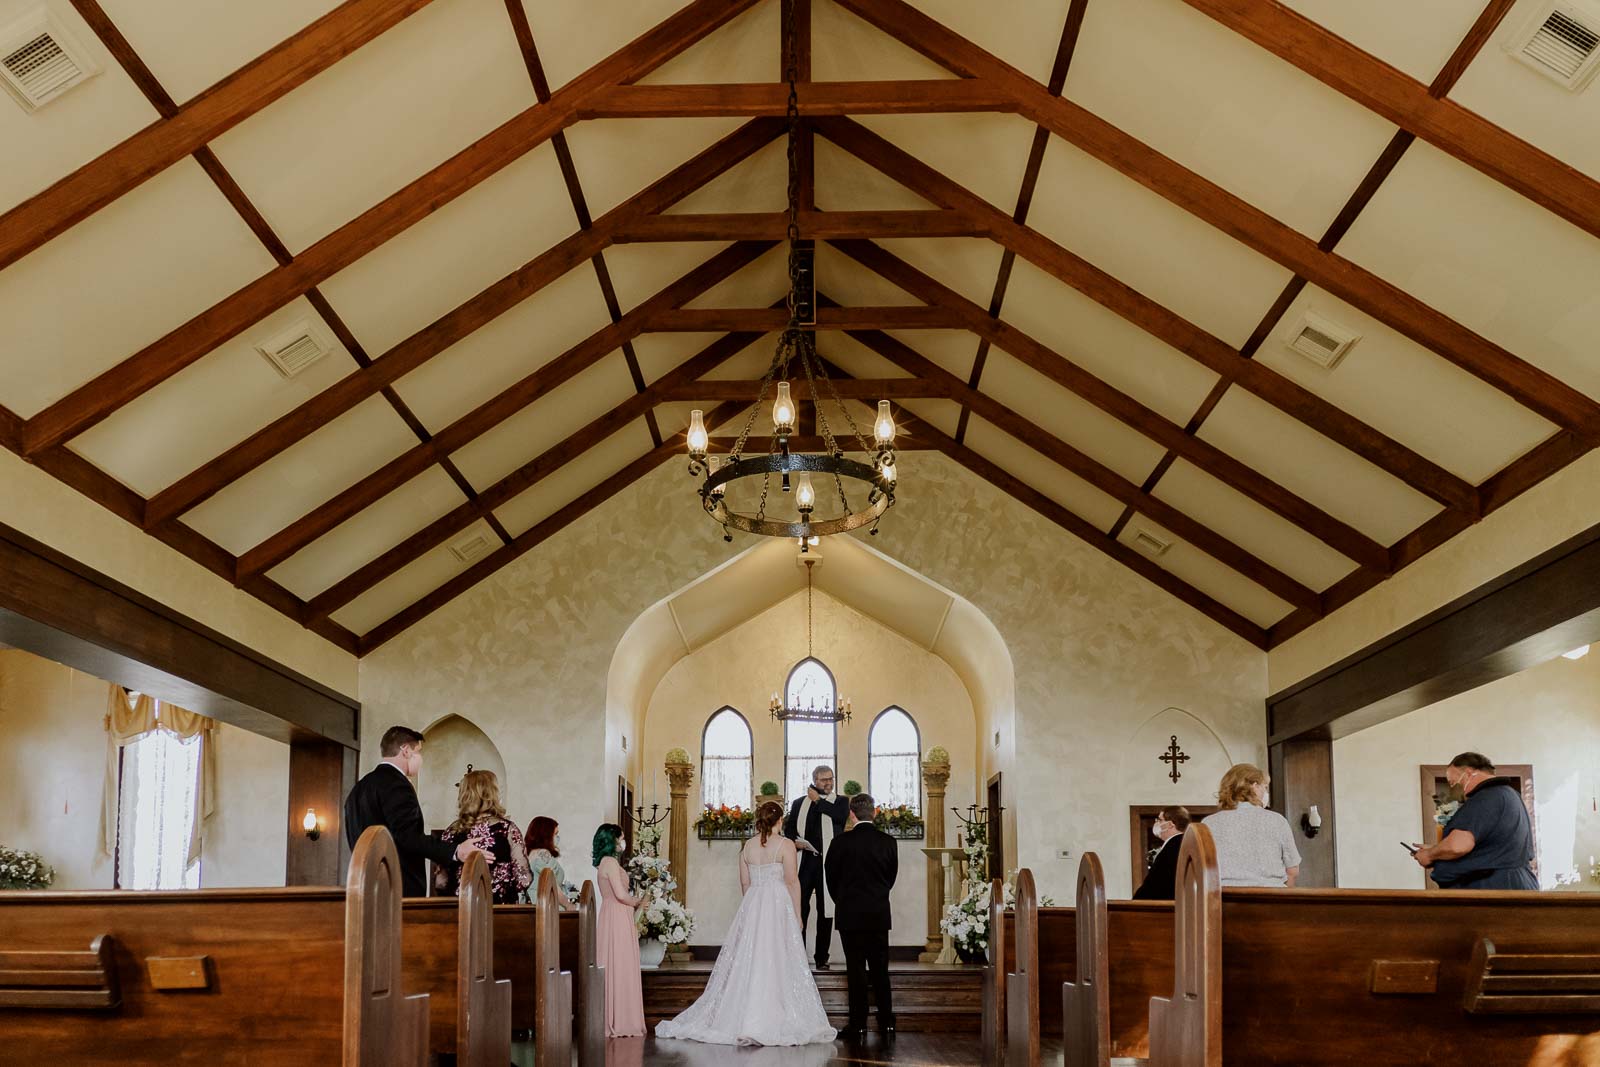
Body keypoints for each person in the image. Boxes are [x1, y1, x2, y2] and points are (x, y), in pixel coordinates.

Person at [655, 801, 835, 1046]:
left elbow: (745, 884)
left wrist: (752, 909)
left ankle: (745, 1016)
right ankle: (772, 1015)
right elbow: (793, 882)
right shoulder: (786, 845)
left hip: (754, 903)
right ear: (779, 820)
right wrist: (798, 915)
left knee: (750, 958)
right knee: (778, 956)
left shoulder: (747, 847)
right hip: (777, 903)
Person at [343, 725, 486, 897]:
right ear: (406, 750)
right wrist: (455, 851)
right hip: (397, 889)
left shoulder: (359, 788)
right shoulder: (397, 785)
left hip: (365, 886)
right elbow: (408, 837)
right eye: (418, 752)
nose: (420, 758)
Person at [825, 792, 898, 1042]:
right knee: (880, 969)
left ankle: (858, 1024)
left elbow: (831, 880)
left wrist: (844, 901)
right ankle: (887, 1021)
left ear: (852, 814)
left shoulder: (839, 843)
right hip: (878, 913)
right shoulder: (888, 842)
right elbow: (890, 878)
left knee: (855, 970)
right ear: (874, 813)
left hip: (849, 914)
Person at [1412, 752, 1537, 890]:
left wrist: (1429, 855)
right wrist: (1437, 849)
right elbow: (1491, 849)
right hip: (1516, 885)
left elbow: (1457, 846)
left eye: (1453, 783)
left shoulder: (1484, 798)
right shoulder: (1510, 795)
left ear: (1469, 773)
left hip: (1491, 889)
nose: (1453, 789)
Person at [431, 769, 531, 904]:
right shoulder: (507, 830)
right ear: (493, 794)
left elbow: (440, 882)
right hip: (499, 910)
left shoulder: (451, 831)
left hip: (460, 910)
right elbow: (524, 879)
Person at [783, 764, 849, 969]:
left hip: (829, 864)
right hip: (806, 862)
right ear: (814, 780)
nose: (828, 783)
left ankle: (822, 957)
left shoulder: (840, 802)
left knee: (825, 910)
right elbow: (790, 828)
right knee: (800, 908)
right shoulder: (799, 803)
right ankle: (798, 957)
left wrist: (817, 800)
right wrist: (795, 841)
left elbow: (838, 817)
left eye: (831, 779)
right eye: (823, 780)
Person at [1203, 764, 1300, 888]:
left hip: (1225, 898)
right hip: (1272, 896)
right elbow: (1292, 871)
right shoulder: (1277, 821)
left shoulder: (1209, 823)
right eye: (1265, 787)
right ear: (1254, 786)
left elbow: (1201, 869)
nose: (1266, 792)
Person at [594, 822, 646, 1037]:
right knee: (621, 964)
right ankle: (622, 1020)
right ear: (612, 840)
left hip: (612, 914)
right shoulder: (611, 864)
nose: (623, 842)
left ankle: (616, 1015)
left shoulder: (605, 863)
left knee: (615, 963)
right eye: (621, 837)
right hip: (617, 915)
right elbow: (621, 895)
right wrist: (639, 902)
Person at [1133, 806, 1190, 900]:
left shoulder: (1173, 846)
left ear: (1170, 824)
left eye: (1159, 820)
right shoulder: (1185, 843)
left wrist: (1134, 903)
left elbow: (1155, 883)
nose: (1156, 823)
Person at [524, 815, 572, 907]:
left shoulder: (530, 854)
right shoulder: (543, 853)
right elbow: (553, 885)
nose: (557, 838)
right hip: (547, 906)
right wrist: (569, 905)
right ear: (546, 835)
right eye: (555, 834)